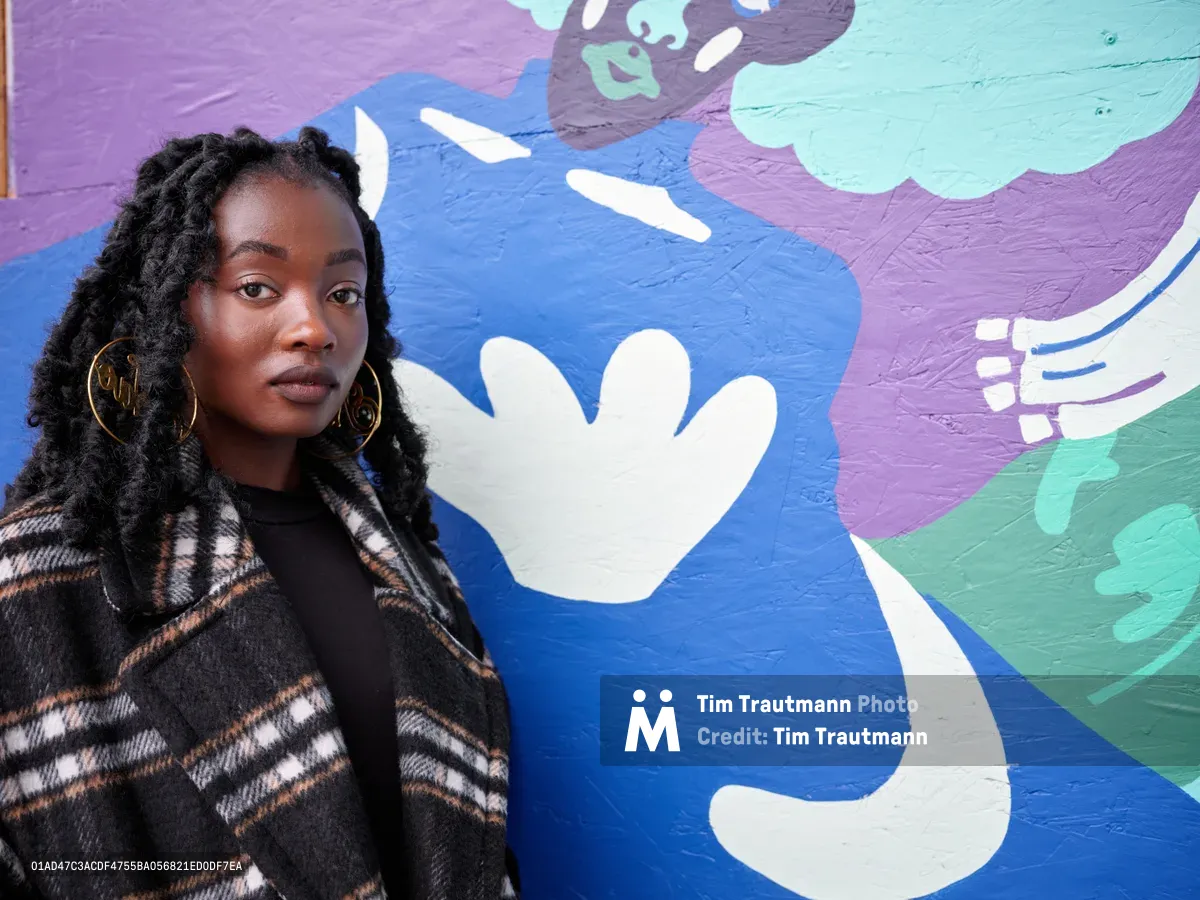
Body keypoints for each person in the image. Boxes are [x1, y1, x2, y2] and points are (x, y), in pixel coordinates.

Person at [0, 126, 519, 900]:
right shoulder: (45, 574)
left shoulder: (408, 558)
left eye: (343, 293)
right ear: (165, 309)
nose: (316, 327)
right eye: (257, 287)